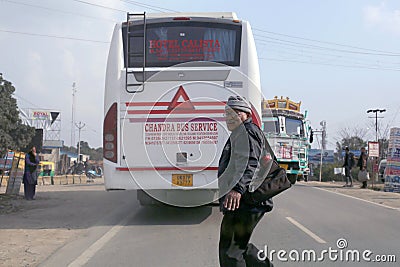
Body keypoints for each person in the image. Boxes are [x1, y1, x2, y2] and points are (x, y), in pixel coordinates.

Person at [218, 96, 274, 267]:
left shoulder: (247, 132)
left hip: (246, 200)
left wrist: (237, 189)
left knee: (231, 251)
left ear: (244, 114)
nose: (227, 118)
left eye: (232, 113)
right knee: (239, 247)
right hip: (245, 200)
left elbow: (250, 162)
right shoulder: (240, 132)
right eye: (226, 114)